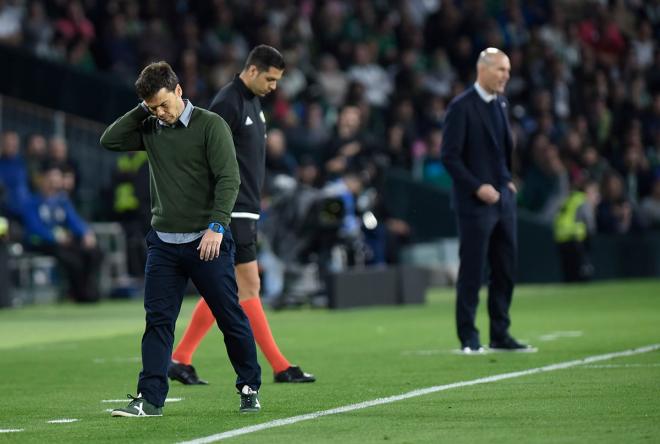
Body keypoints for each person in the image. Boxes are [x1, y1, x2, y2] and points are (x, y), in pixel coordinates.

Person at [100, 61, 261, 416]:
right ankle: (150, 398)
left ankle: (249, 385)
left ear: (178, 91)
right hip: (164, 244)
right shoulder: (151, 126)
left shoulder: (210, 124)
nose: (160, 113)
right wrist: (142, 109)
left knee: (229, 316)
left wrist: (217, 227)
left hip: (208, 242)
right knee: (158, 321)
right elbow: (109, 139)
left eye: (163, 104)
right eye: (151, 107)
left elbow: (228, 179)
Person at [168, 45, 315, 385]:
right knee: (248, 288)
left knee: (228, 289)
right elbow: (203, 154)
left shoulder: (253, 102)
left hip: (246, 208)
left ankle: (180, 358)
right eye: (270, 79)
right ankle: (280, 366)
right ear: (252, 71)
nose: (274, 87)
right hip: (232, 210)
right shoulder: (228, 103)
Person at [440, 48, 534, 354]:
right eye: (501, 70)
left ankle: (500, 334)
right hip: (474, 204)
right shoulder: (461, 107)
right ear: (483, 70)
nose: (507, 75)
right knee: (472, 271)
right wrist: (477, 187)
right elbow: (450, 157)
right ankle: (468, 336)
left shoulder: (501, 103)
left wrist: (507, 179)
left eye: (508, 70)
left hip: (503, 201)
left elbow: (501, 150)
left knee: (505, 269)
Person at [22, 163, 102, 302]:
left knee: (94, 252)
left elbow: (74, 220)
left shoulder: (62, 201)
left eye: (56, 179)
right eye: (51, 179)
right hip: (41, 242)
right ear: (42, 179)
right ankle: (79, 293)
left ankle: (87, 289)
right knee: (72, 259)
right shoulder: (32, 202)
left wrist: (86, 233)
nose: (54, 183)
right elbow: (34, 228)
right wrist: (55, 237)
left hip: (64, 241)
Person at [553, 179, 600, 282]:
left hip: (560, 238)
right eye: (594, 192)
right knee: (582, 272)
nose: (597, 196)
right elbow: (589, 223)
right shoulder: (583, 201)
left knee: (568, 272)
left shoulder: (569, 198)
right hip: (576, 239)